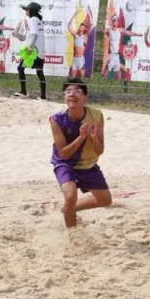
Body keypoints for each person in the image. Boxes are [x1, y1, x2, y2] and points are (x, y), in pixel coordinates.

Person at [50, 77, 111, 228]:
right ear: (65, 97)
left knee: (105, 201)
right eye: (68, 91)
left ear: (85, 97)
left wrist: (93, 137)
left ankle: (68, 210)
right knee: (70, 196)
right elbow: (64, 154)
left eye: (77, 91)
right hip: (65, 164)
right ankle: (73, 235)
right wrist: (81, 137)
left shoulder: (96, 116)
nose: (72, 94)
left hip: (88, 165)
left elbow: (100, 150)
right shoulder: (56, 120)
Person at [13, 1, 46, 100]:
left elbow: (34, 35)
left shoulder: (32, 20)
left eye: (27, 9)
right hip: (40, 51)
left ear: (31, 11)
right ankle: (43, 96)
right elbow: (27, 37)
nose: (26, 11)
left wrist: (30, 48)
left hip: (33, 52)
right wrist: (17, 34)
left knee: (20, 68)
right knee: (39, 72)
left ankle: (23, 91)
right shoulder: (38, 21)